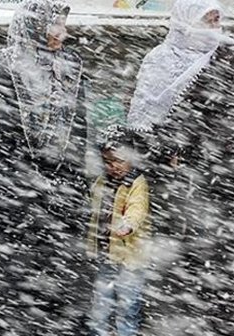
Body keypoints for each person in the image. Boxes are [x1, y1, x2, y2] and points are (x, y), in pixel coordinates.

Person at [127, 0, 234, 335]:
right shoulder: (160, 62)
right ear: (186, 20)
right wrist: (166, 154)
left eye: (217, 19)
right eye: (206, 19)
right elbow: (143, 127)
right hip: (187, 192)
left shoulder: (233, 56)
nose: (213, 27)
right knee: (190, 277)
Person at [0, 0, 90, 334]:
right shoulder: (2, 63)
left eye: (64, 24)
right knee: (10, 278)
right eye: (56, 24)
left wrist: (76, 180)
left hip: (62, 190)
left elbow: (79, 127)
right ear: (35, 24)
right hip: (14, 187)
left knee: (61, 280)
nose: (63, 33)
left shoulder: (71, 63)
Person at [86, 127, 150, 336]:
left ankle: (126, 333)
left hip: (130, 258)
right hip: (107, 254)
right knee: (101, 304)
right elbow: (95, 209)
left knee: (128, 304)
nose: (114, 167)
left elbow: (137, 208)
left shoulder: (136, 183)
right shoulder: (102, 182)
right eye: (108, 161)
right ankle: (99, 331)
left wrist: (129, 224)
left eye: (120, 160)